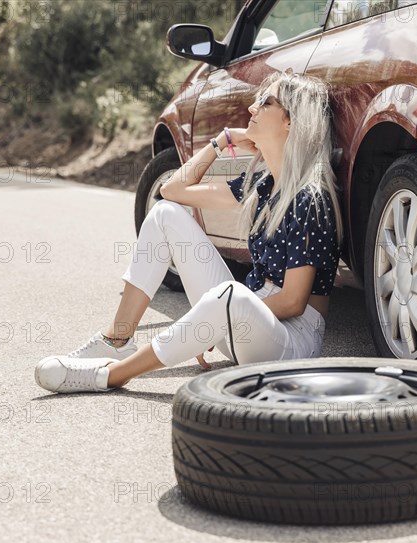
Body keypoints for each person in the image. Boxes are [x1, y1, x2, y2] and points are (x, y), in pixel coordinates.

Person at [35, 71, 344, 394]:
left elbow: (294, 302)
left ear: (291, 123)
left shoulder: (311, 198)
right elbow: (172, 190)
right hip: (240, 322)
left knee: (230, 295)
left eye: (266, 103)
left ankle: (112, 375)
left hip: (289, 341)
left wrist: (211, 322)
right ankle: (117, 339)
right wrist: (221, 140)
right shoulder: (263, 186)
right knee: (164, 215)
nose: (252, 108)